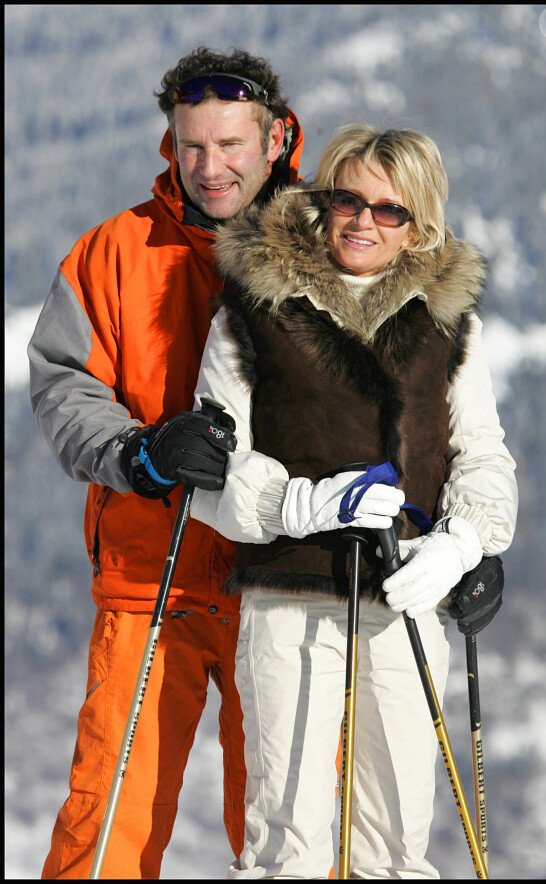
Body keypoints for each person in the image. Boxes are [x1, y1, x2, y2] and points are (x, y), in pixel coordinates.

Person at [186, 124, 518, 878]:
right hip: (291, 597)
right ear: (323, 200)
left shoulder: (448, 324)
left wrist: (459, 546)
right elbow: (214, 463)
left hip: (407, 599)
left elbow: (484, 458)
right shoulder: (252, 314)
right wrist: (296, 506)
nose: (364, 220)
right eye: (349, 199)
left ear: (419, 224)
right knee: (287, 843)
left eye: (389, 209)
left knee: (396, 841)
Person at [27, 46, 303, 880]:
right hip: (156, 578)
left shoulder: (330, 247)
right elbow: (63, 384)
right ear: (169, 143)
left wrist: (448, 534)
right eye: (191, 146)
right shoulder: (113, 253)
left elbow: (395, 401)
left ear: (276, 139)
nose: (208, 167)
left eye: (229, 146)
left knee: (294, 833)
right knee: (107, 826)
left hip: (287, 584)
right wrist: (135, 453)